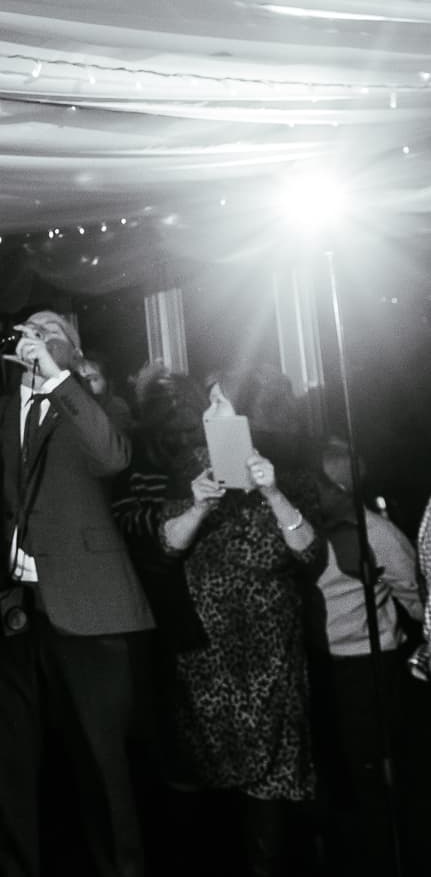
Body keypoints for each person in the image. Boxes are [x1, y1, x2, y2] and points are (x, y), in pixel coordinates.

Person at [0, 313, 151, 877]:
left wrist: (55, 374)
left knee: (104, 765)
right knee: (13, 763)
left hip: (87, 607)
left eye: (50, 330)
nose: (33, 334)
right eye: (26, 328)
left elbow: (113, 457)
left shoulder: (90, 409)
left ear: (71, 351)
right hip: (9, 606)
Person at [147, 370, 331, 876]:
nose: (207, 416)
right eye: (207, 405)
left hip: (269, 658)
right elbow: (163, 551)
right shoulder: (193, 465)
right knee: (206, 790)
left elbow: (310, 555)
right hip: (206, 657)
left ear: (250, 413)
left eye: (218, 405)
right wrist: (200, 506)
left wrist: (271, 493)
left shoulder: (290, 473)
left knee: (269, 795)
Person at [311, 439, 420, 877]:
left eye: (318, 484)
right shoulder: (305, 529)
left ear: (339, 487)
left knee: (370, 768)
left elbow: (414, 593)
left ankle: (384, 854)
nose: (310, 491)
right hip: (322, 662)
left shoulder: (377, 534)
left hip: (367, 664)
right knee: (335, 769)